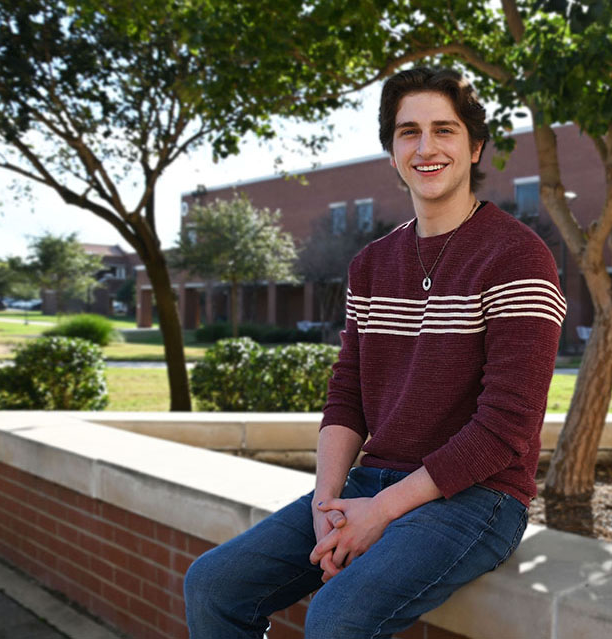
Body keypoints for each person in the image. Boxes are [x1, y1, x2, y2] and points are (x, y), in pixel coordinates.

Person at [183, 67, 565, 639]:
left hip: (479, 496)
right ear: (392, 151)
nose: (426, 147)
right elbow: (348, 396)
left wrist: (381, 511)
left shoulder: (518, 257)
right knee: (213, 585)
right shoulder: (371, 263)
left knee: (336, 617)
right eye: (408, 132)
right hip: (372, 479)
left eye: (444, 129)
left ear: (475, 146)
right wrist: (326, 504)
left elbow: (506, 428)